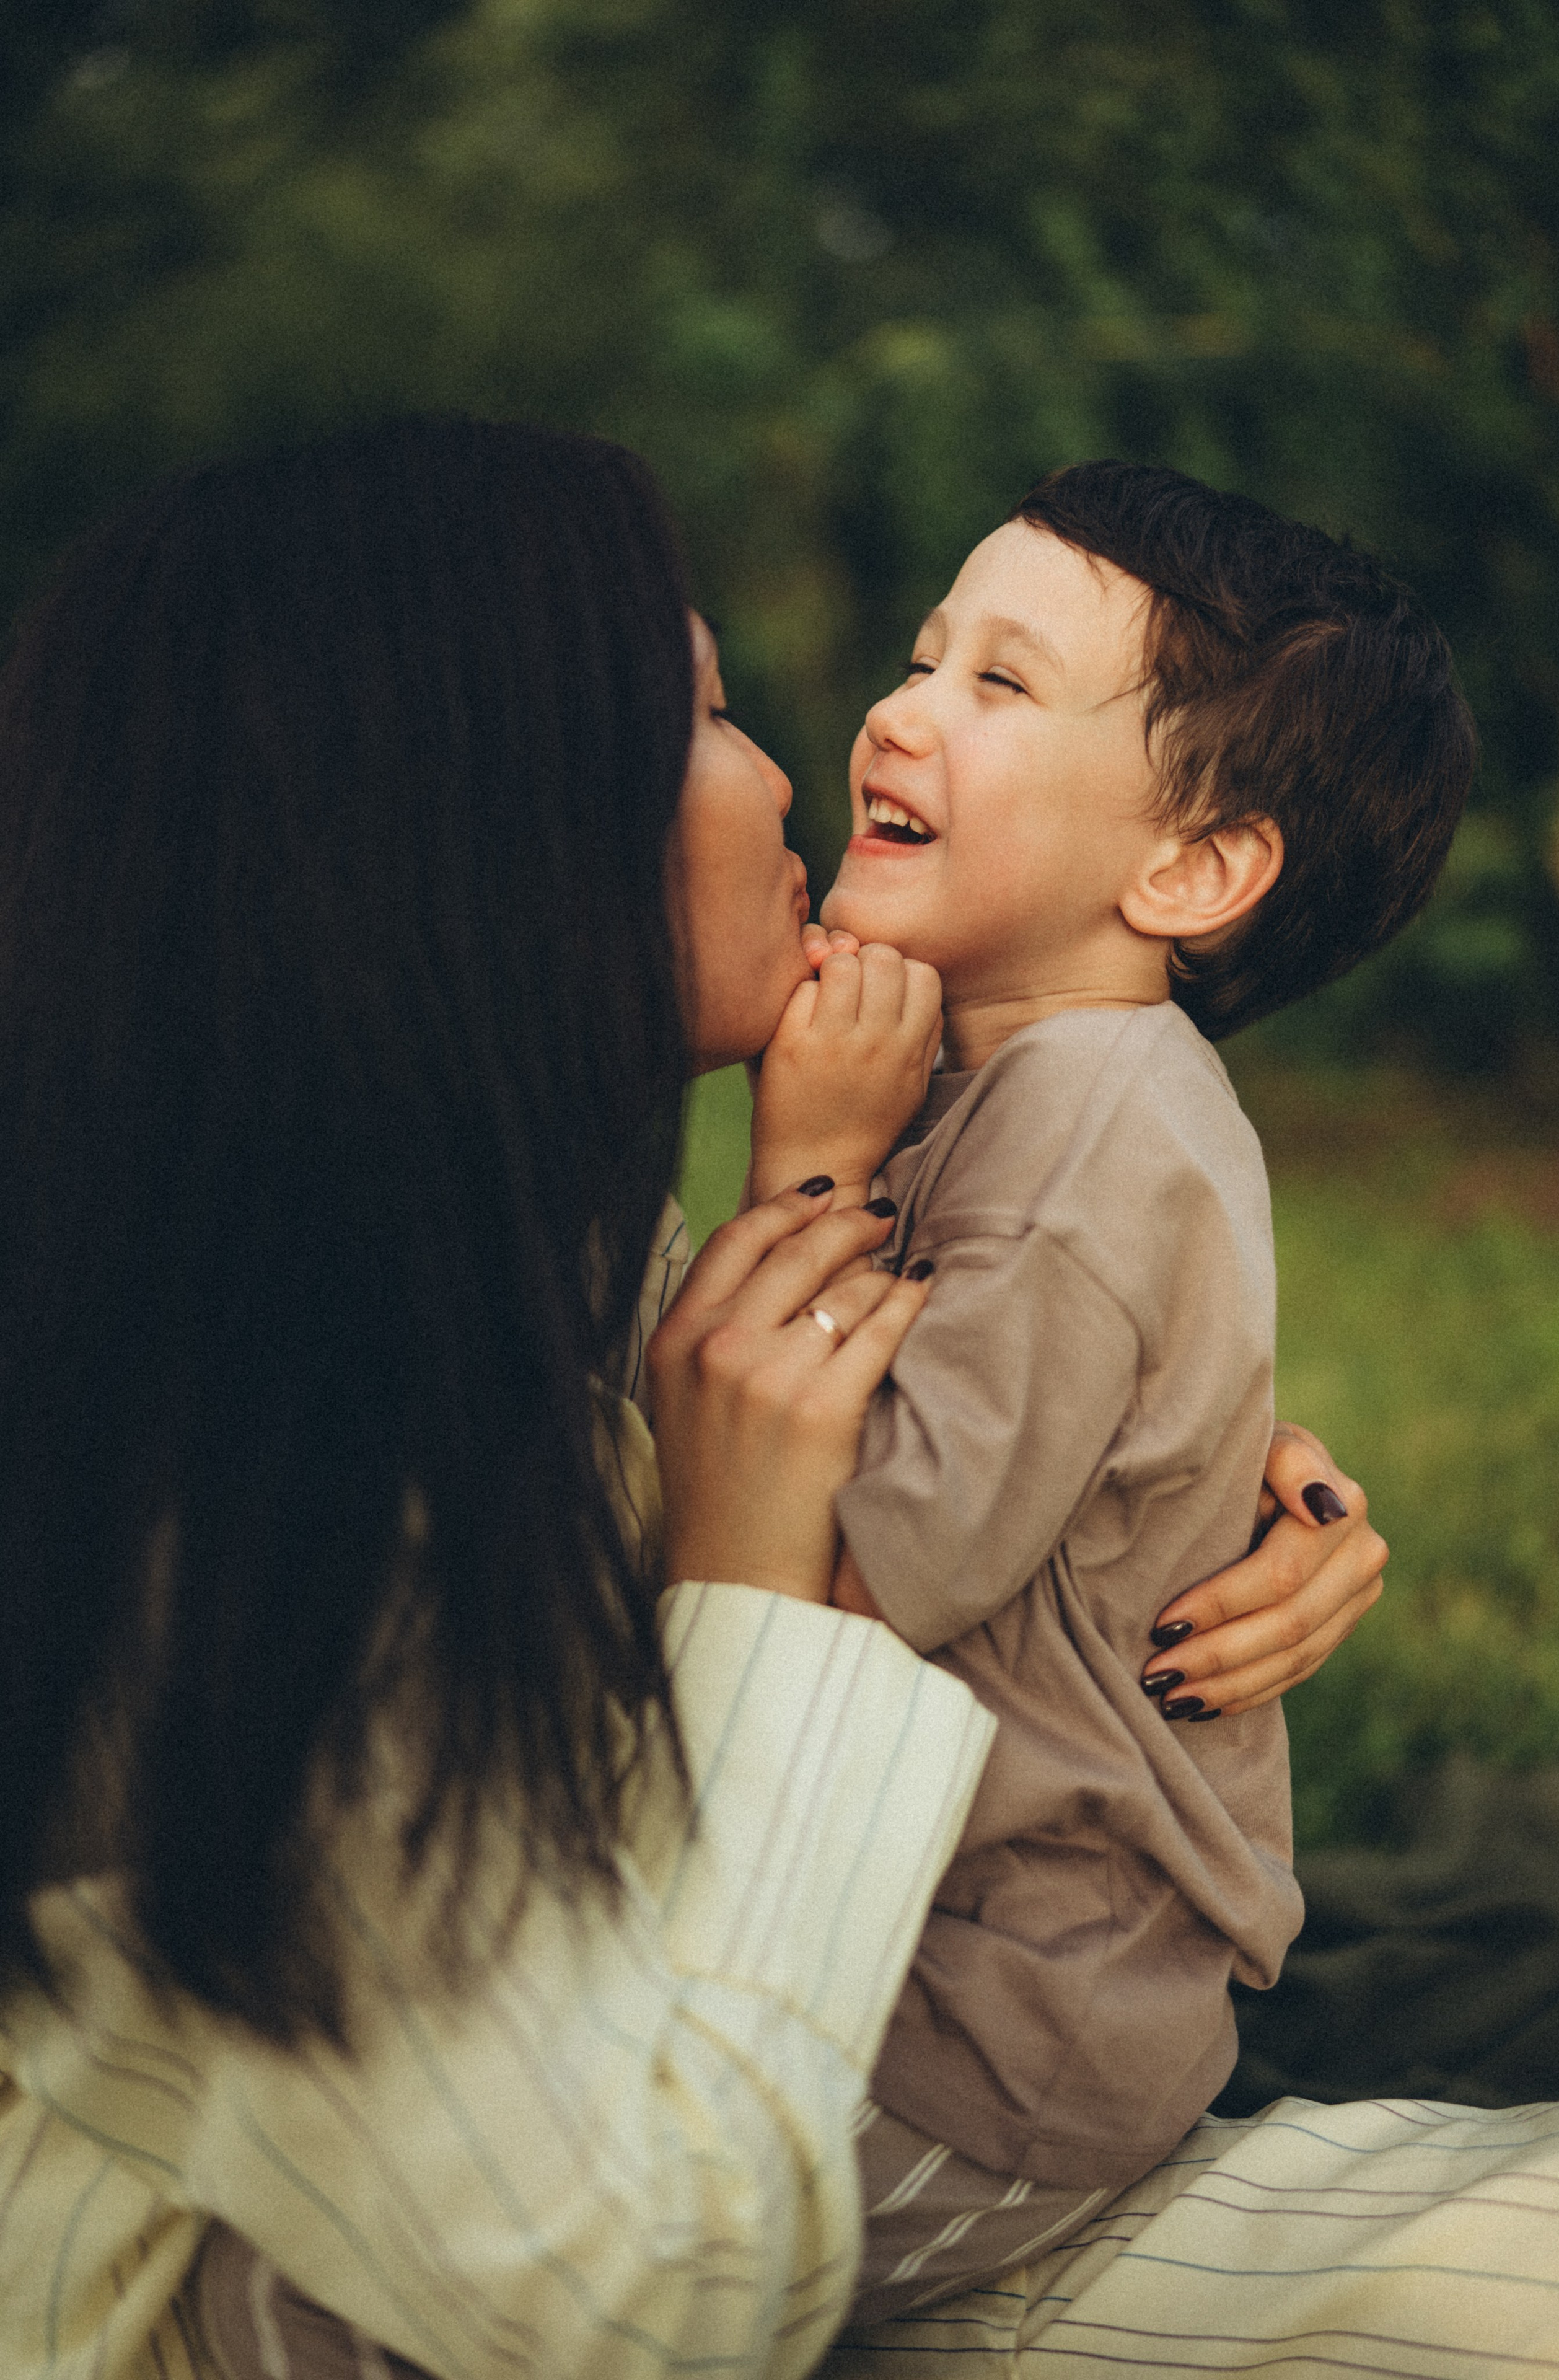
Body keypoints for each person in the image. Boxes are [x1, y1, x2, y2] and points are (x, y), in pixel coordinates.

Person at [0, 418, 1386, 2380]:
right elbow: (655, 2284)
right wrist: (748, 1546)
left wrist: (1211, 1486)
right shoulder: (263, 1517)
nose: (833, 746)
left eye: (993, 681)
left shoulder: (506, 1247)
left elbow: (930, 1405)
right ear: (483, 823)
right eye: (708, 715)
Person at [745, 461, 1476, 2326]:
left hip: (987, 2039)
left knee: (592, 2269)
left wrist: (808, 1177)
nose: (897, 711)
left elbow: (822, 1597)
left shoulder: (1088, 1135)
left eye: (1000, 683)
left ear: (1195, 867)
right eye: (924, 658)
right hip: (928, 1961)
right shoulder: (1011, 1087)